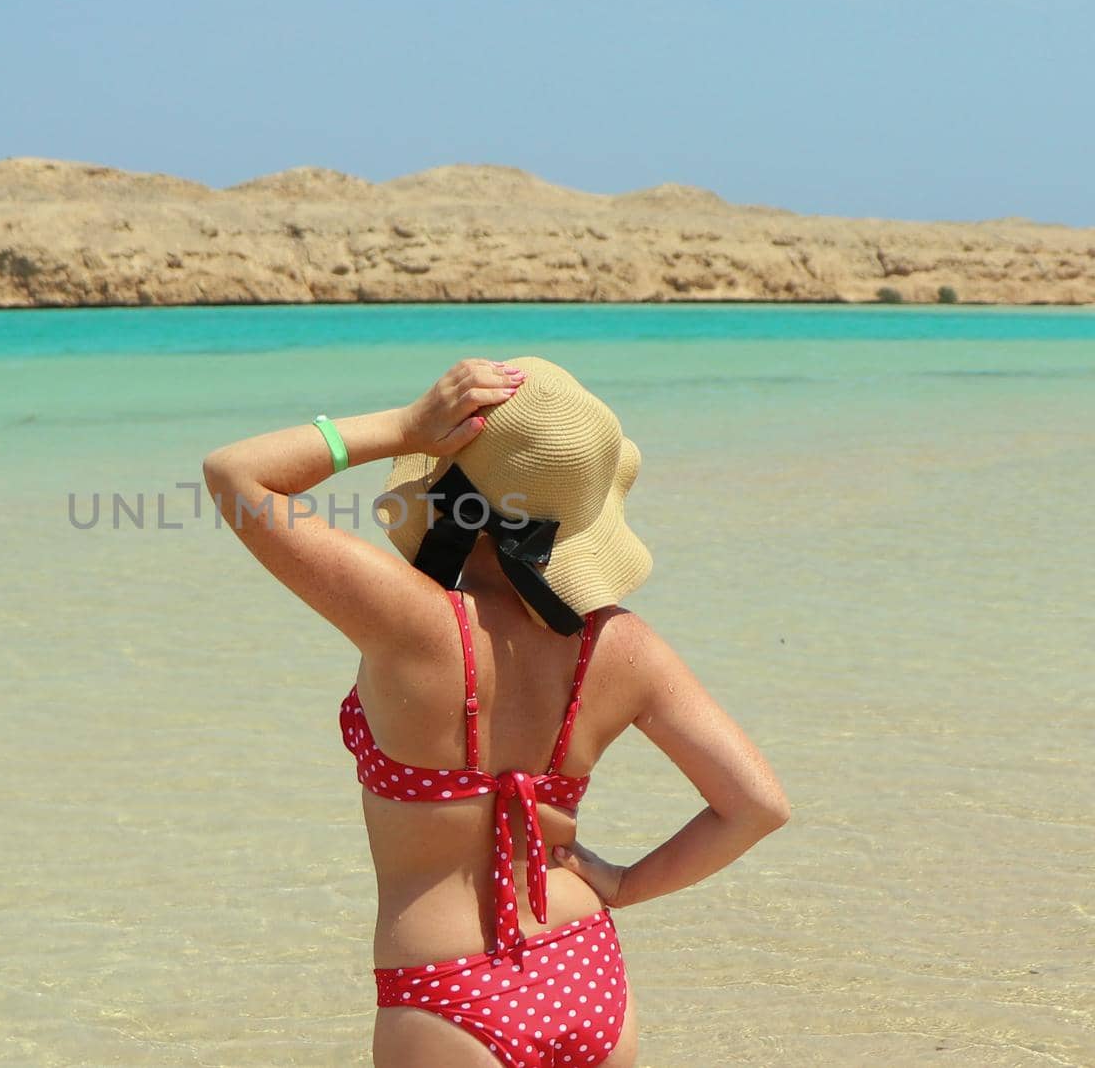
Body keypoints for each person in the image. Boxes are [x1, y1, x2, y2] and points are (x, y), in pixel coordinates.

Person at [202, 356, 789, 1067]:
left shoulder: (409, 621)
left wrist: (402, 425)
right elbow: (757, 804)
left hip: (445, 989)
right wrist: (627, 884)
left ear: (450, 489)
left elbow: (236, 475)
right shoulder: (623, 646)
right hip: (583, 967)